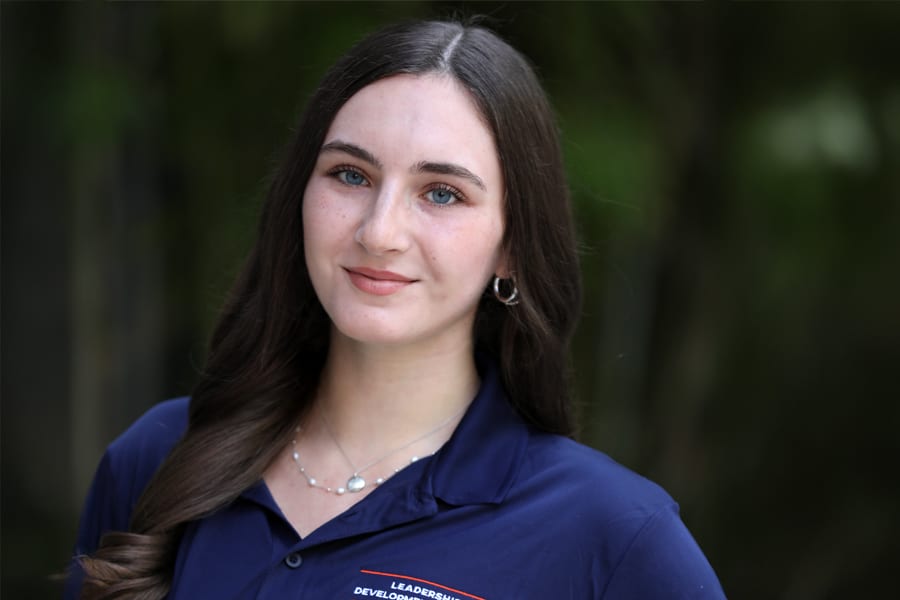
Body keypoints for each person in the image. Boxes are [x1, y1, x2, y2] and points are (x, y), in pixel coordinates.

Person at [66, 19, 726, 600]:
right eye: (350, 175)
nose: (379, 231)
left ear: (513, 248)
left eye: (441, 194)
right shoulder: (158, 458)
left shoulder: (608, 533)